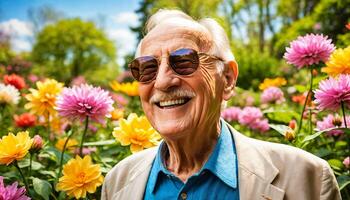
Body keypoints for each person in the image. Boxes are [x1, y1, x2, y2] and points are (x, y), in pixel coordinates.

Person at [102, 9, 341, 200]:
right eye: (147, 68)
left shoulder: (308, 179)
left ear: (227, 79)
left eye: (184, 61)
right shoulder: (117, 184)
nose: (163, 81)